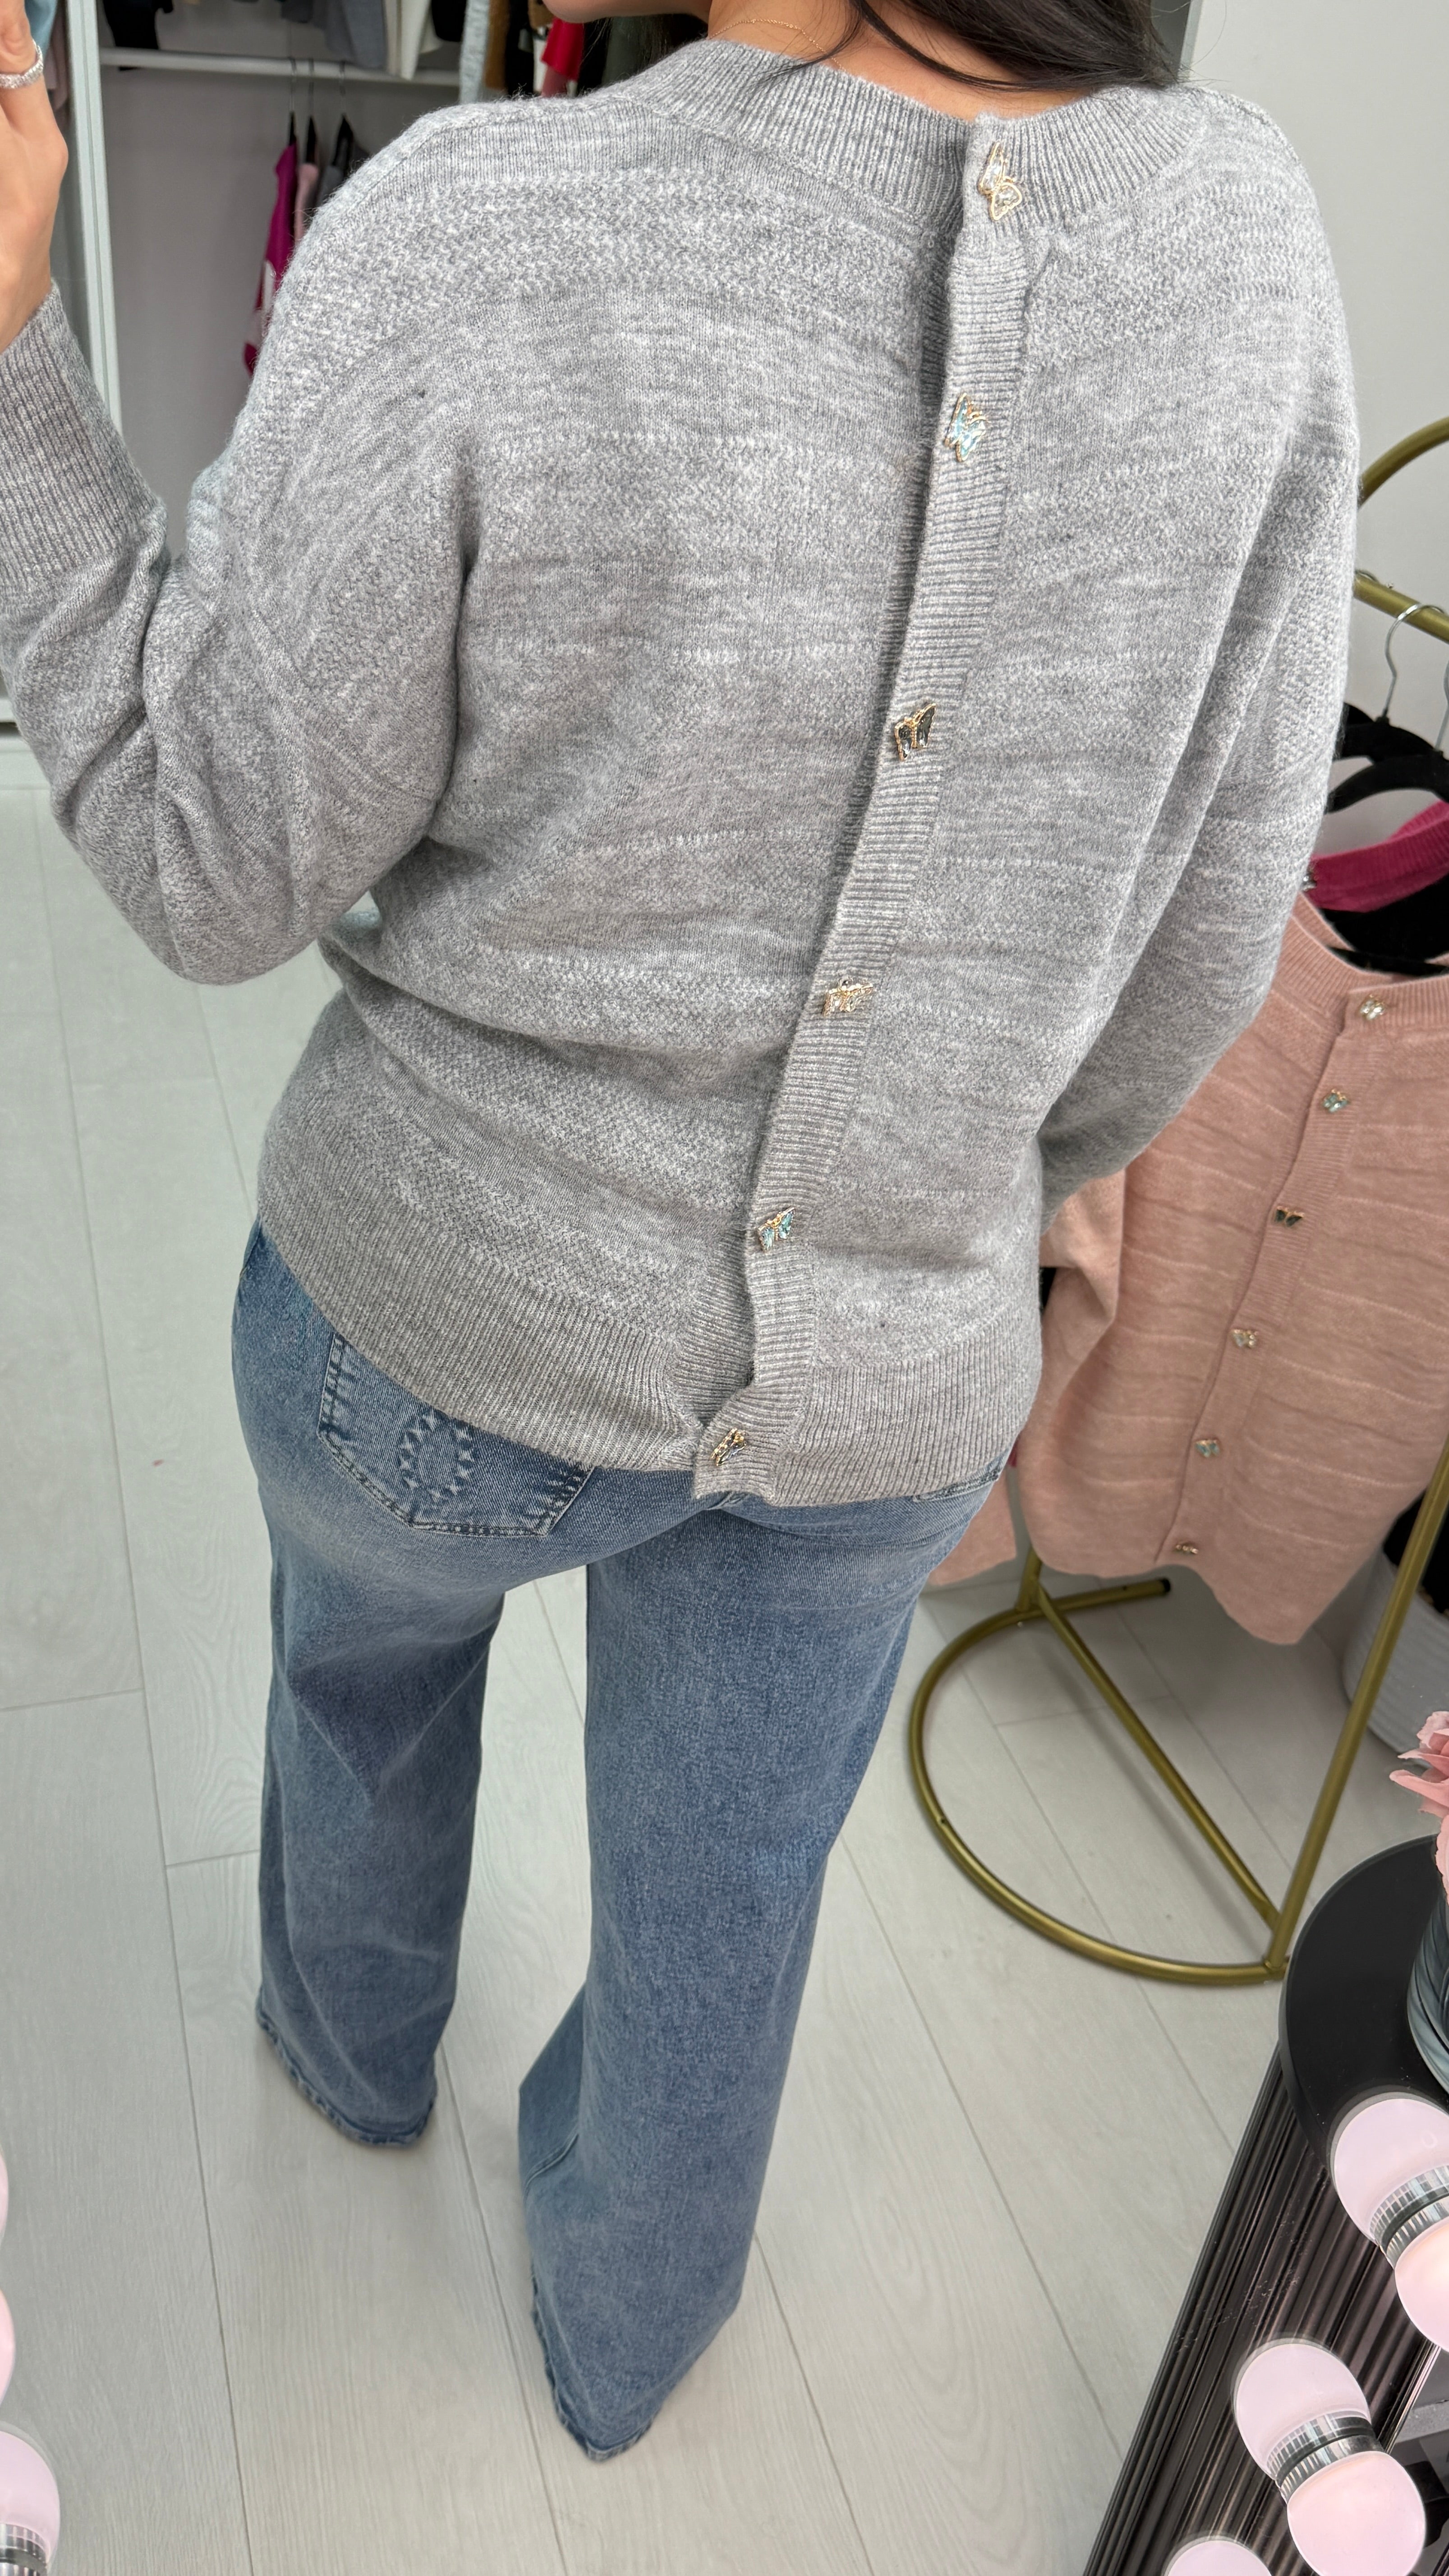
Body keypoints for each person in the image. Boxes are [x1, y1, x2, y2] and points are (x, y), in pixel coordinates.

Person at [0, 0, 1355, 2460]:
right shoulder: (1249, 251)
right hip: (889, 1393)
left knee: (358, 1682)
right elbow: (1201, 956)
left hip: (421, 1335)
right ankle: (626, 2338)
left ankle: (350, 2052)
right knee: (732, 1888)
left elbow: (206, 857)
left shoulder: (477, 235)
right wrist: (947, 1197)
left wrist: (10, 371)